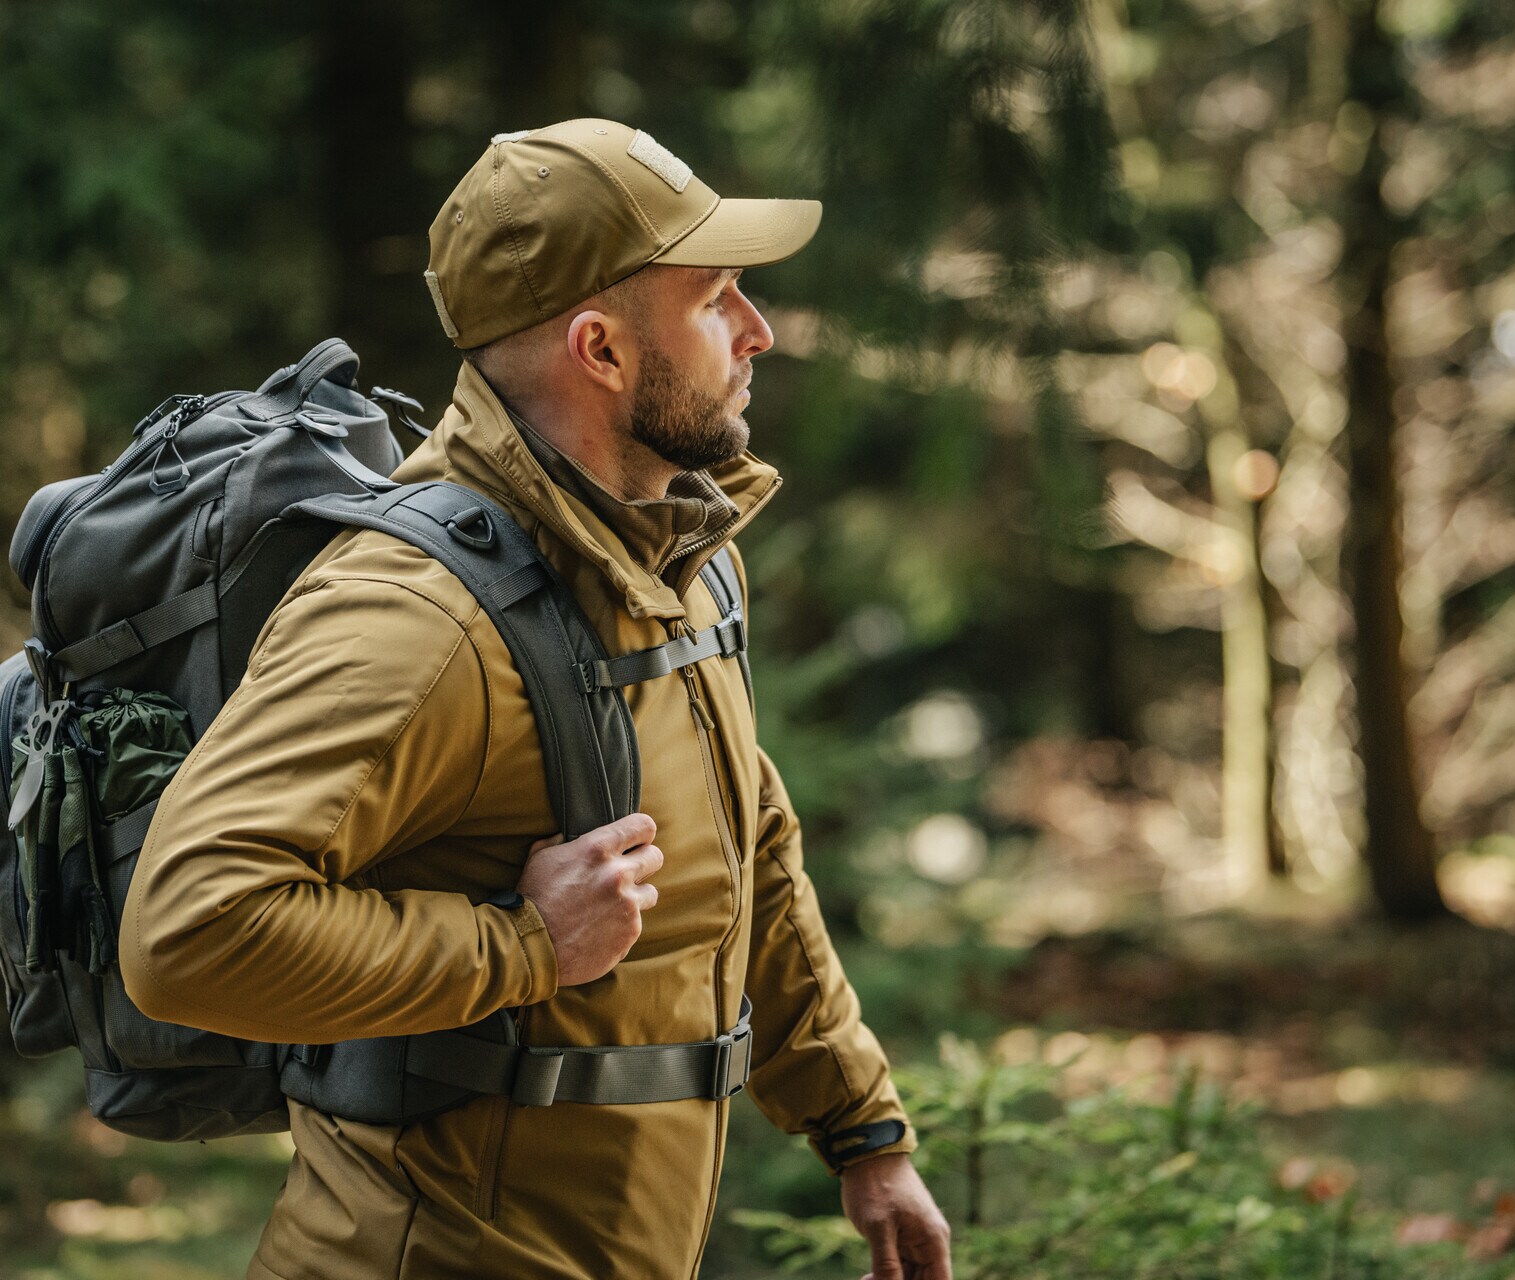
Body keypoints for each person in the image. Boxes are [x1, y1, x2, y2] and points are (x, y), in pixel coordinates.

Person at [122, 118, 952, 1280]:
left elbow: (749, 847)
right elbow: (188, 930)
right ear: (601, 349)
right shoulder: (417, 616)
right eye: (716, 299)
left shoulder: (685, 560)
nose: (759, 333)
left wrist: (861, 1128)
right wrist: (524, 945)